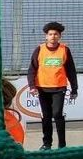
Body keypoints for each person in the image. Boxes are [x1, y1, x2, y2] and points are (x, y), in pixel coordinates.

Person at [27, 22, 79, 150]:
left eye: (56, 34)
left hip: (59, 88)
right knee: (46, 116)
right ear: (46, 36)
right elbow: (32, 69)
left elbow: (71, 70)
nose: (53, 36)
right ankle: (47, 143)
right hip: (42, 87)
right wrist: (32, 86)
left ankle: (62, 144)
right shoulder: (39, 49)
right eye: (50, 34)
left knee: (57, 114)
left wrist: (74, 89)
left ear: (59, 36)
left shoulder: (64, 50)